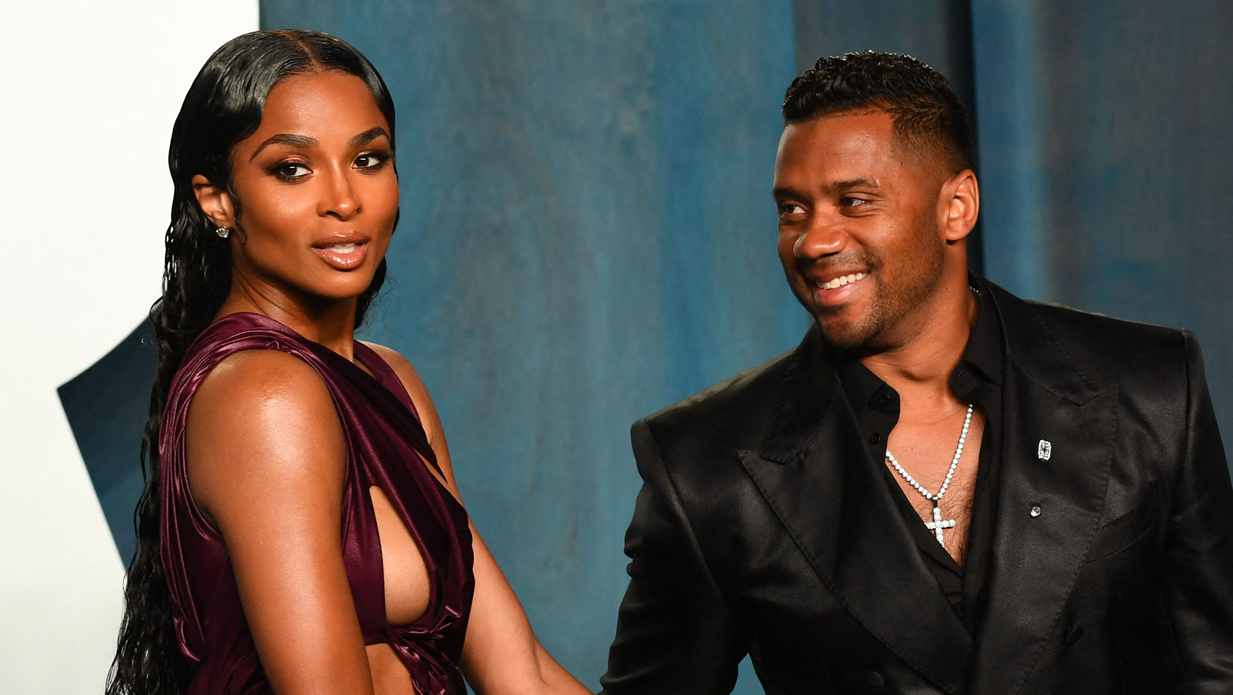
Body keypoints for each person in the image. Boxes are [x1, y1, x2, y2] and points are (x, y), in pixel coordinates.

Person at [601, 51, 1233, 694]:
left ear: (956, 206)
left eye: (853, 201)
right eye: (792, 209)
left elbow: (1219, 667)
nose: (813, 241)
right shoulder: (705, 464)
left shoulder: (1149, 387)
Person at [107, 30, 589, 695]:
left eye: (368, 158)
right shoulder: (265, 394)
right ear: (216, 198)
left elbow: (521, 673)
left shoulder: (390, 379)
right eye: (292, 168)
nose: (344, 199)